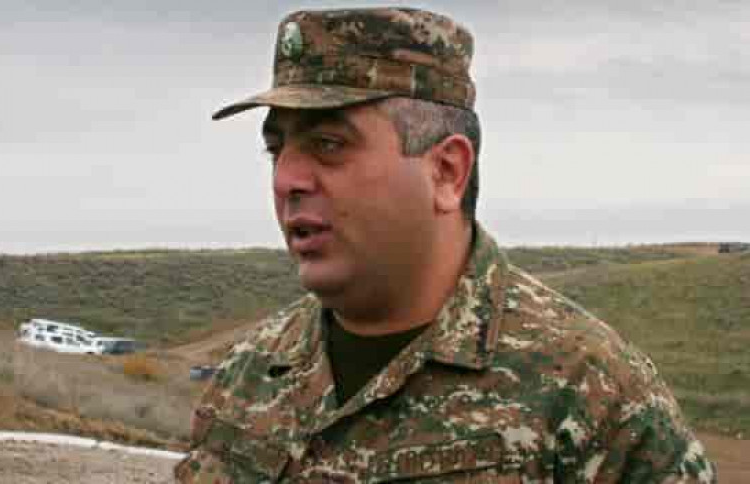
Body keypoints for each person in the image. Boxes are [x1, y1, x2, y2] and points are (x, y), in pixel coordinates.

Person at [176, 7, 716, 483]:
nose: (287, 179)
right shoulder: (251, 370)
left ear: (446, 171)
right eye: (276, 150)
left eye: (329, 144)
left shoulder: (591, 391)